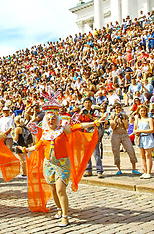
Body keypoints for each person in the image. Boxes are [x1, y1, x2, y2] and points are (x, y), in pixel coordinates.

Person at [16, 91, 103, 227]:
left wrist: (94, 123)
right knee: (53, 190)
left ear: (57, 119)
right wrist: (26, 149)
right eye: (49, 119)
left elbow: (78, 126)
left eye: (53, 119)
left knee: (60, 189)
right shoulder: (45, 134)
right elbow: (37, 147)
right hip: (48, 164)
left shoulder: (63, 129)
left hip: (62, 164)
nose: (51, 121)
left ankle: (65, 216)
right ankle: (59, 209)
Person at [109, 103, 140, 175]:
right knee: (116, 151)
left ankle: (134, 168)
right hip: (115, 134)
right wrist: (115, 119)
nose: (118, 109)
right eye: (117, 108)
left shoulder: (125, 116)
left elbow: (126, 127)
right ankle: (118, 168)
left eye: (119, 107)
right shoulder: (112, 116)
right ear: (114, 109)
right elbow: (112, 127)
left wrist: (123, 120)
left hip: (124, 134)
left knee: (131, 150)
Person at [81, 98, 104, 178]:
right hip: (84, 134)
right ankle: (88, 170)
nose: (87, 104)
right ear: (83, 104)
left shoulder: (95, 111)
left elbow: (98, 120)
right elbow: (77, 121)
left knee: (96, 153)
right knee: (86, 154)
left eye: (89, 102)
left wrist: (89, 116)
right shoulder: (81, 112)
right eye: (86, 102)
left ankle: (99, 171)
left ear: (91, 103)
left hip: (93, 133)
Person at [134, 105, 154, 179]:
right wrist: (136, 132)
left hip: (147, 137)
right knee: (142, 156)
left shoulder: (149, 119)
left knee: (148, 155)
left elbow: (152, 129)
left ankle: (149, 172)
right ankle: (144, 171)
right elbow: (135, 129)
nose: (142, 112)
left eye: (144, 110)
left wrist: (141, 131)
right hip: (140, 138)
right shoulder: (137, 119)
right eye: (141, 111)